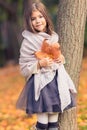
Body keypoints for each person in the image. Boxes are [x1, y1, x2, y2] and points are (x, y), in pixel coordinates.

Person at [16, 2, 77, 130]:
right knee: (43, 124)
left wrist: (61, 59)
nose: (38, 21)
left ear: (46, 18)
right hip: (41, 86)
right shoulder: (28, 42)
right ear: (29, 22)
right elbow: (23, 68)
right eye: (33, 19)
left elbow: (57, 56)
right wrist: (39, 64)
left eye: (40, 16)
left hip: (55, 84)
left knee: (54, 124)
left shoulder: (53, 37)